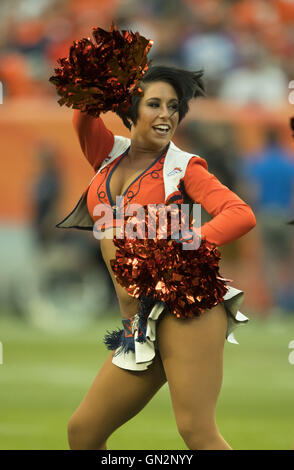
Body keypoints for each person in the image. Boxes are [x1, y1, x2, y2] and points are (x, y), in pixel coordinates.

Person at [55, 65, 256, 450]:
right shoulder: (106, 153)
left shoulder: (183, 168)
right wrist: (112, 69)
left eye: (173, 106)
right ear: (130, 109)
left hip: (186, 308)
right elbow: (83, 112)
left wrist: (183, 247)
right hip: (138, 319)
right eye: (153, 104)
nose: (166, 114)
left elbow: (240, 214)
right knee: (83, 432)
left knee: (197, 431)